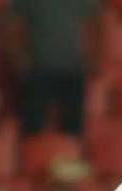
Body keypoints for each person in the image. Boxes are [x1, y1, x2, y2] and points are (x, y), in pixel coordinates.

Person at [10, 0, 97, 134]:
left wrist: (94, 57)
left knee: (73, 130)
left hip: (73, 71)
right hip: (39, 70)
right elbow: (12, 23)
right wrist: (19, 59)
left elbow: (96, 22)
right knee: (33, 129)